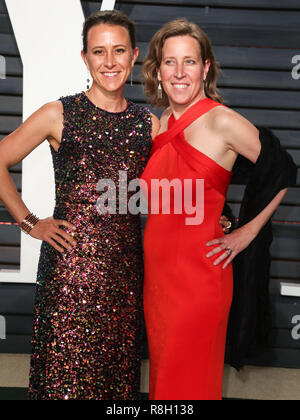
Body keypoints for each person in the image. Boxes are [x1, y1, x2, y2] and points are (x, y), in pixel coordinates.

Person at [0, 10, 161, 400]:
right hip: (68, 273)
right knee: (63, 382)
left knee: (115, 384)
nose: (109, 62)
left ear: (135, 55)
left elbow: (173, 190)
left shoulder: (149, 125)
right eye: (99, 52)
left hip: (123, 275)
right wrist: (30, 223)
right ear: (85, 58)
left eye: (119, 51)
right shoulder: (59, 113)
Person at [141, 18, 296, 400]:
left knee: (189, 384)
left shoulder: (222, 120)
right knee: (164, 383)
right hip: (156, 280)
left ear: (205, 68)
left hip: (199, 280)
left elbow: (282, 168)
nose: (179, 72)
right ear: (157, 70)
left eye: (189, 62)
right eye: (170, 62)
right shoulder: (159, 126)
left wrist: (246, 231)